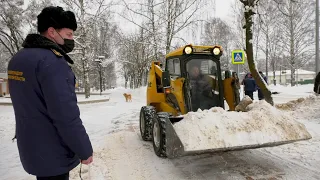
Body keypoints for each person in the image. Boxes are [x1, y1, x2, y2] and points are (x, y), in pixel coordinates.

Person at [7, 6, 93, 180]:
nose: (72, 39)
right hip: (54, 150)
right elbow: (65, 115)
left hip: (31, 146)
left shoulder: (17, 59)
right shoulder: (52, 62)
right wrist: (84, 150)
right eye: (69, 34)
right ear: (52, 32)